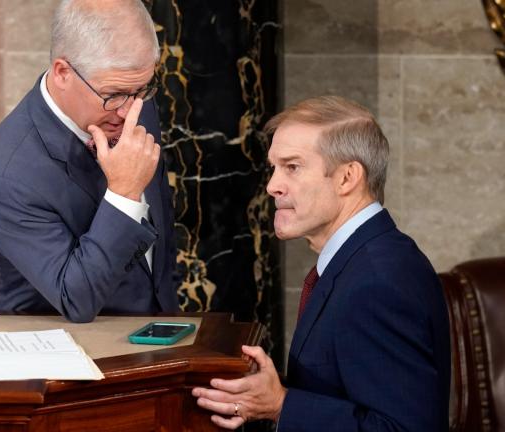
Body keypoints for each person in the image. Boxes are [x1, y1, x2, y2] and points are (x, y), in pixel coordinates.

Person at [192, 96, 450, 430]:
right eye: (274, 167)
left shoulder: (377, 282)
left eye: (292, 167)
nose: (272, 186)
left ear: (347, 178)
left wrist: (281, 406)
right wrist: (267, 391)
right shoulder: (362, 259)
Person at [0, 0, 178, 323]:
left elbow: (160, 232)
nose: (130, 113)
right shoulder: (6, 175)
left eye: (142, 90)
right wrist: (123, 194)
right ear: (63, 73)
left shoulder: (131, 100)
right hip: (70, 362)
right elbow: (76, 299)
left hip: (161, 339)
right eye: (114, 95)